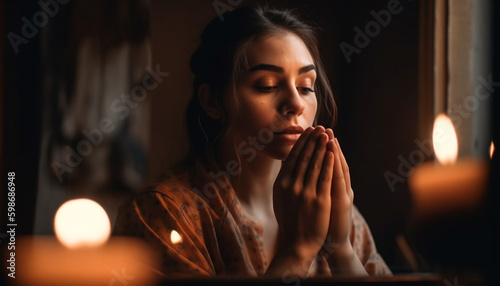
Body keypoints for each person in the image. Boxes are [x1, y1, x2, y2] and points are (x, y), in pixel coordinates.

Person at [113, 6, 391, 278]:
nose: (296, 103)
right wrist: (298, 252)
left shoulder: (333, 207)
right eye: (267, 85)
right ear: (212, 101)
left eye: (306, 87)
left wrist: (341, 250)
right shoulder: (163, 214)